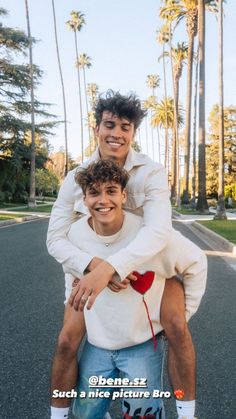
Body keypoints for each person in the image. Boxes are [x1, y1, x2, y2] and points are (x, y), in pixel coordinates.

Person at [47, 91, 199, 419]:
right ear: (97, 128)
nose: (116, 133)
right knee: (66, 341)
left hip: (152, 263)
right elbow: (56, 239)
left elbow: (158, 232)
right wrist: (96, 267)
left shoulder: (152, 171)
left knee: (174, 324)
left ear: (133, 133)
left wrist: (115, 268)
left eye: (125, 127)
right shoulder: (76, 177)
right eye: (110, 124)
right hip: (90, 263)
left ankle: (187, 413)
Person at [63, 160, 206, 419]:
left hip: (141, 345)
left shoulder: (149, 235)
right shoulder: (74, 235)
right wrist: (75, 292)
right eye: (94, 192)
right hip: (98, 343)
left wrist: (185, 315)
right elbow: (71, 270)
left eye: (111, 191)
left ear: (124, 195)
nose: (103, 199)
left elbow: (197, 262)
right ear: (84, 199)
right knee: (85, 413)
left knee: (144, 414)